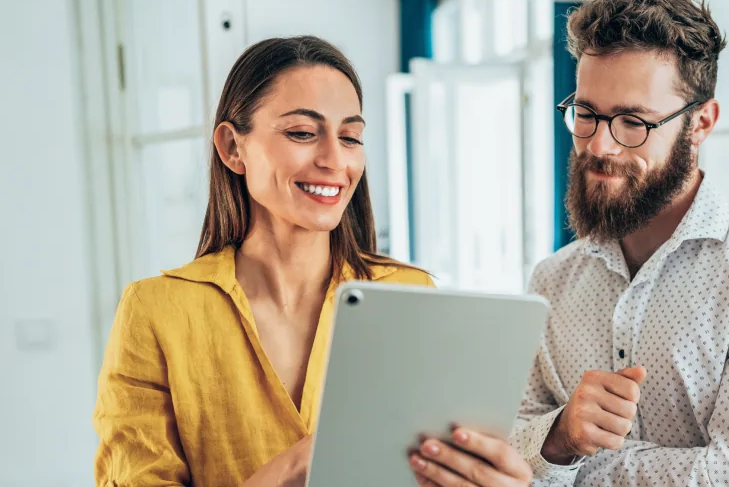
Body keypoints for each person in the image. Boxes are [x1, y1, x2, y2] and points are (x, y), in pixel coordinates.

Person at [93, 36, 533, 487]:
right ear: (232, 148)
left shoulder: (409, 294)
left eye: (350, 137)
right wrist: (292, 466)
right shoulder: (157, 310)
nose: (334, 160)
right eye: (302, 133)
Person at [509, 0, 729, 485]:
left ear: (701, 123)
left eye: (632, 122)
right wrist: (557, 439)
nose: (599, 146)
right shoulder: (551, 281)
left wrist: (576, 461)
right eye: (586, 114)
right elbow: (507, 459)